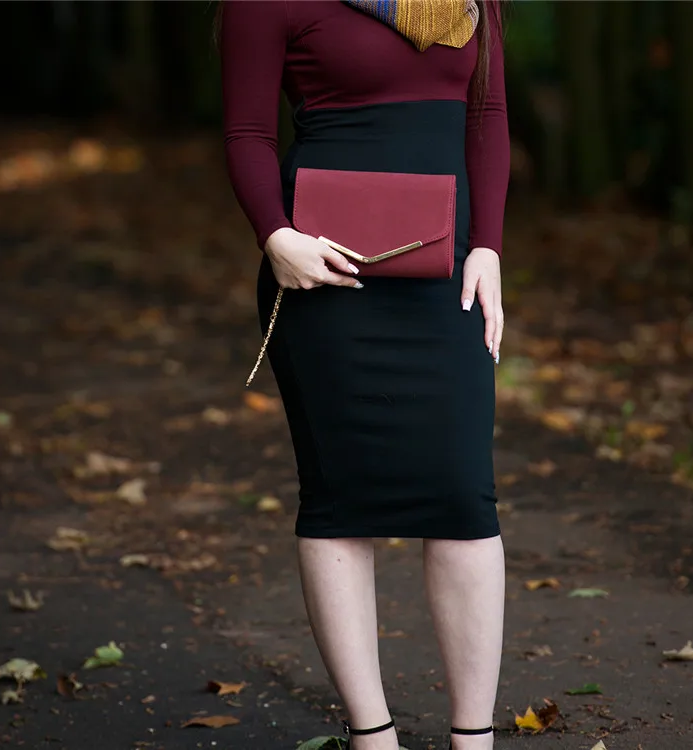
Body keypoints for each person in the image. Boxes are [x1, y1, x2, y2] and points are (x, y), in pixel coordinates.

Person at [220, 1, 509, 747]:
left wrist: (488, 246)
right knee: (340, 500)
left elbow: (487, 114)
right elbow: (248, 133)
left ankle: (474, 739)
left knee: (464, 496)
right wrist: (275, 235)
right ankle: (372, 736)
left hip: (447, 275)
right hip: (322, 274)